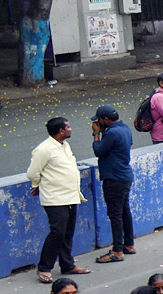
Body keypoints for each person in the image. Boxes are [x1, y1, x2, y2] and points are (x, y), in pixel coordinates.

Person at [27, 117, 89, 284]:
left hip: (71, 195)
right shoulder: (44, 149)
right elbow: (33, 172)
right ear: (61, 131)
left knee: (67, 232)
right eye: (68, 127)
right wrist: (37, 184)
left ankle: (67, 264)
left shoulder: (64, 146)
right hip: (55, 198)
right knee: (57, 232)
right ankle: (44, 267)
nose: (70, 129)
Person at [91, 104, 135, 263]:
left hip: (114, 178)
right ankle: (129, 244)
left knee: (115, 214)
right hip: (125, 175)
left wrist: (96, 134)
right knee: (124, 210)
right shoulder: (124, 128)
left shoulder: (112, 133)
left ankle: (117, 250)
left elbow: (99, 151)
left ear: (105, 119)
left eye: (99, 121)